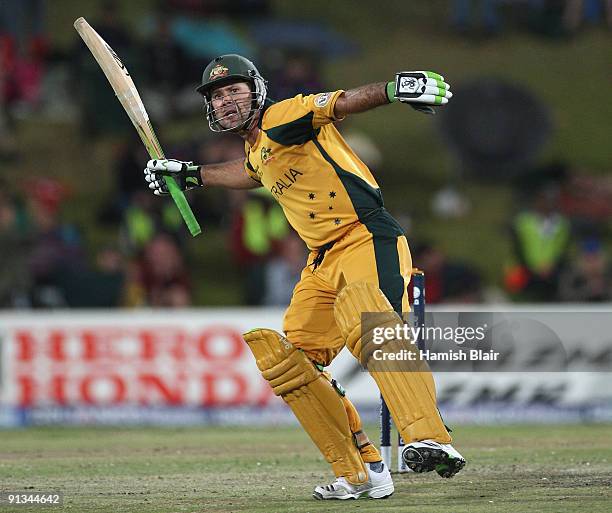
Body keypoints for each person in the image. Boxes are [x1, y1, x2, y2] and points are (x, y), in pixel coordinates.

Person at [143, 54, 464, 500]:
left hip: (366, 236)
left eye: (234, 90)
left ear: (256, 89)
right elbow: (253, 172)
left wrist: (393, 89)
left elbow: (343, 102)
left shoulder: (283, 115)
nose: (226, 101)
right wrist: (192, 174)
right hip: (321, 259)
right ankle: (364, 470)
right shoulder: (257, 146)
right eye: (217, 96)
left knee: (370, 320)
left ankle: (430, 438)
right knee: (290, 362)